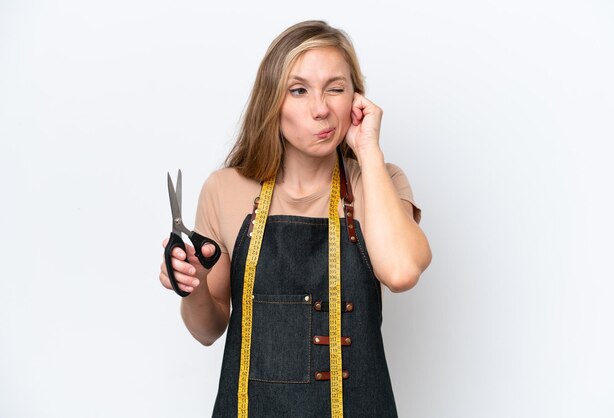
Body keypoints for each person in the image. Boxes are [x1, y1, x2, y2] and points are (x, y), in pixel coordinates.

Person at [159, 20, 432, 417]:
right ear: (273, 101)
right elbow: (207, 330)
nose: (321, 109)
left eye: (336, 89)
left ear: (356, 100)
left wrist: (368, 148)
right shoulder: (225, 189)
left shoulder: (381, 182)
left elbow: (403, 271)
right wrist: (194, 286)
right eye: (299, 90)